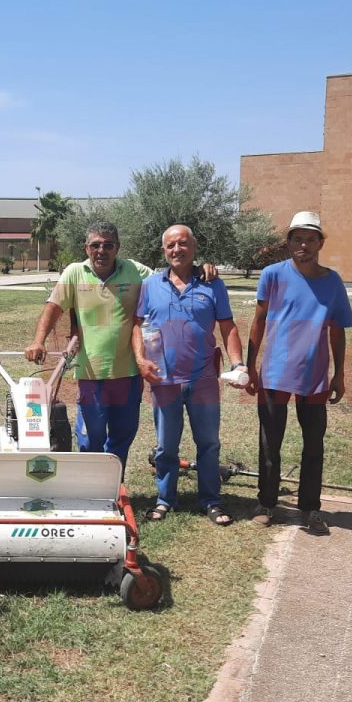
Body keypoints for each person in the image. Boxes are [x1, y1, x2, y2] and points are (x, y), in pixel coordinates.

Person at [245, 211, 352, 536]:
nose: (302, 244)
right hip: (275, 374)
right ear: (289, 242)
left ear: (320, 242)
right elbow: (258, 321)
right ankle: (266, 503)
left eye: (309, 238)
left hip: (315, 376)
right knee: (270, 443)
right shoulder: (272, 275)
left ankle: (311, 508)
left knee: (313, 445)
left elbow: (337, 330)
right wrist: (250, 367)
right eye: (296, 238)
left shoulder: (332, 281)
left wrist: (340, 374)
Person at [133, 225, 246, 525]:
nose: (176, 250)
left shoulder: (212, 283)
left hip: (203, 378)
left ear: (193, 247)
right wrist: (141, 359)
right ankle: (164, 499)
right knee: (165, 444)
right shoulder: (150, 285)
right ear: (163, 251)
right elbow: (137, 324)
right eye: (170, 245)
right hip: (164, 378)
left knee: (208, 443)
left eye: (182, 244)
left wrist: (238, 364)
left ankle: (211, 500)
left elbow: (227, 325)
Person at [24, 222, 151, 468]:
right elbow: (53, 308)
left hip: (129, 374)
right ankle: (89, 490)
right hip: (91, 373)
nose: (101, 250)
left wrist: (200, 270)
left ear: (118, 248)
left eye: (108, 245)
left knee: (121, 437)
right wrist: (38, 341)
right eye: (95, 245)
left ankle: (112, 490)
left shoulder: (136, 271)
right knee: (91, 438)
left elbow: (171, 279)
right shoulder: (74, 272)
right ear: (86, 248)